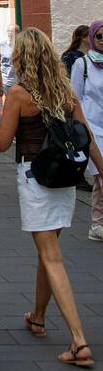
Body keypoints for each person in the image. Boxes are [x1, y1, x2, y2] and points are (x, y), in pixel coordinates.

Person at [0, 27, 103, 366]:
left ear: (21, 57)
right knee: (49, 250)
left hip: (35, 177)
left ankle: (79, 342)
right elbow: (86, 135)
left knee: (51, 257)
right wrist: (102, 172)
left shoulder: (18, 93)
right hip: (65, 177)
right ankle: (38, 317)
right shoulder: (64, 90)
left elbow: (3, 143)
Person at [71, 20, 103, 240]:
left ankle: (97, 225)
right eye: (99, 36)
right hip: (92, 129)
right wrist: (82, 128)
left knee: (100, 180)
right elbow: (75, 99)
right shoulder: (82, 64)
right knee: (101, 175)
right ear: (92, 38)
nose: (102, 40)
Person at [0, 23, 18, 94]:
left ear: (17, 33)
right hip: (5, 80)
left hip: (19, 81)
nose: (10, 33)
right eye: (8, 31)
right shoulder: (1, 45)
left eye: (12, 31)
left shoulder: (21, 45)